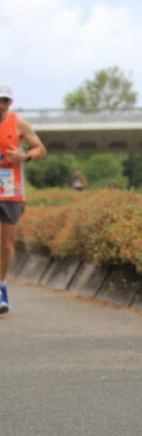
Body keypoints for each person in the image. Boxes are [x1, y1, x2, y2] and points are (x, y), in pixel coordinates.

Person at [0, 84, 47, 314]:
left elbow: (40, 149)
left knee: (7, 244)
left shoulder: (19, 124)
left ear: (10, 103)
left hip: (10, 190)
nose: (1, 105)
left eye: (5, 100)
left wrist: (24, 156)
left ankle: (2, 286)